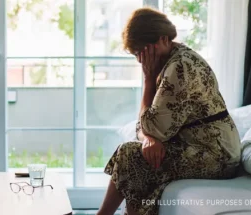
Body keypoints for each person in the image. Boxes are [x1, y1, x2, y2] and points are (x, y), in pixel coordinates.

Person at [96, 7, 241, 215]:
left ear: (163, 39)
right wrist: (148, 138)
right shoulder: (172, 60)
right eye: (136, 54)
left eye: (143, 52)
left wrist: (147, 81)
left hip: (216, 155)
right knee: (139, 156)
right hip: (198, 146)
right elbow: (150, 126)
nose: (141, 60)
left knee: (130, 154)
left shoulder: (180, 67)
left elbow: (153, 128)